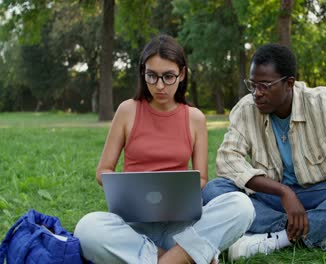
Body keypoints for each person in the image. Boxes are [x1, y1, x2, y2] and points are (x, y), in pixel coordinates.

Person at [74, 34, 255, 264]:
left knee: (242, 206)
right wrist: (127, 189)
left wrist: (175, 191)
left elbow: (201, 180)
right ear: (143, 73)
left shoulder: (195, 118)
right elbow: (103, 171)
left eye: (168, 76)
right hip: (134, 227)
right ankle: (181, 257)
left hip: (181, 227)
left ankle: (164, 257)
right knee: (87, 229)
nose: (159, 86)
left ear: (182, 74)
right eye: (152, 76)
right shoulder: (127, 111)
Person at [202, 43, 326, 261]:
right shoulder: (245, 109)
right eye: (252, 85)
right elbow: (228, 159)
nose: (256, 94)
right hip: (272, 199)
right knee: (214, 190)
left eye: (264, 86)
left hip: (321, 195)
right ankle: (322, 232)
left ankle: (276, 237)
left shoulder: (321, 102)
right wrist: (283, 192)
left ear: (289, 83)